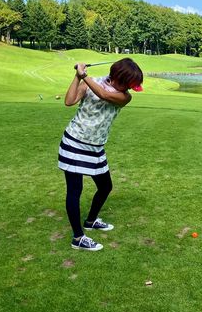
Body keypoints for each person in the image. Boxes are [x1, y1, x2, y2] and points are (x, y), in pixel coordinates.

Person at [58, 58, 143, 251]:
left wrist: (84, 76)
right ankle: (78, 238)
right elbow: (69, 101)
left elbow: (103, 94)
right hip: (74, 142)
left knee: (105, 186)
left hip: (96, 147)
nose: (130, 89)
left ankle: (90, 220)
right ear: (119, 78)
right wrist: (77, 77)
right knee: (74, 190)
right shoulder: (91, 82)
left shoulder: (125, 97)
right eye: (129, 84)